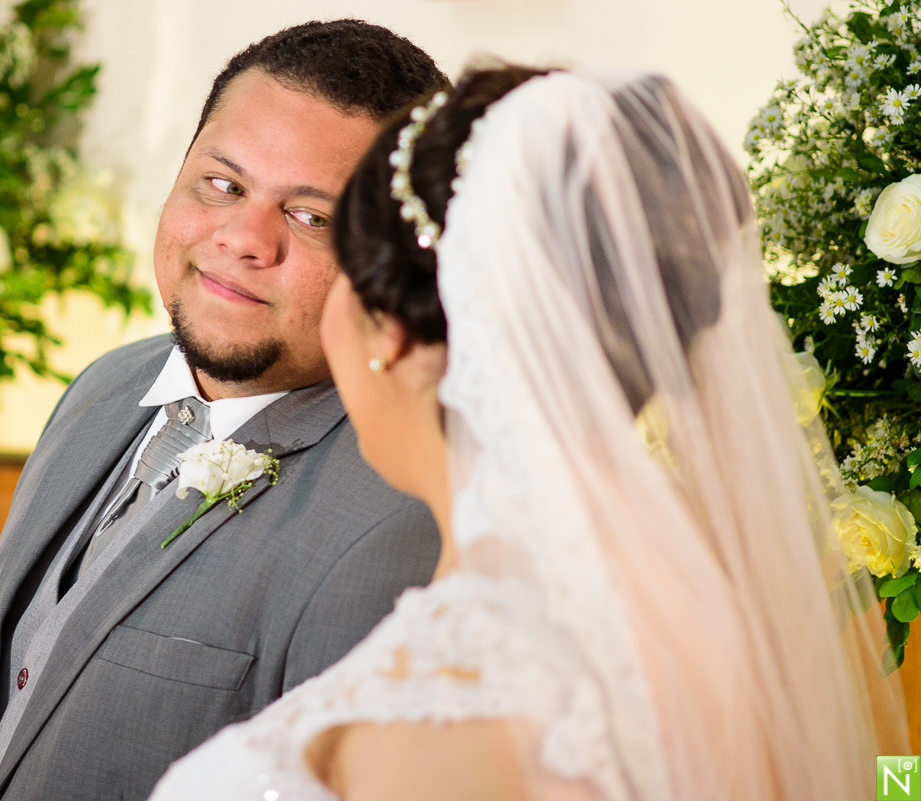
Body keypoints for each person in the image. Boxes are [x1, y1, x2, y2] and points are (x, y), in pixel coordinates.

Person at [149, 65, 909, 800]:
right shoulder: (774, 624)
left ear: (390, 332)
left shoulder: (385, 738)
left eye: (322, 231)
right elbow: (894, 784)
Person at [0, 21, 449, 801]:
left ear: (391, 257)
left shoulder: (395, 523)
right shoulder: (100, 388)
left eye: (309, 216)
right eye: (224, 184)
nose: (242, 237)